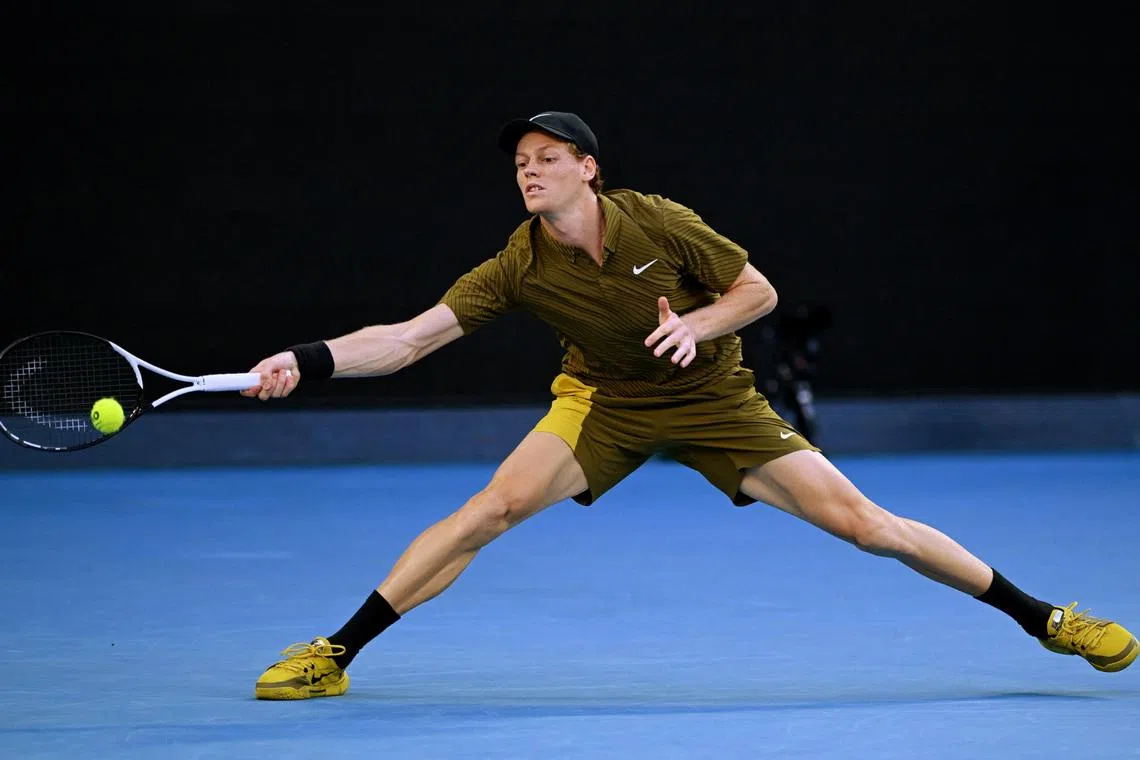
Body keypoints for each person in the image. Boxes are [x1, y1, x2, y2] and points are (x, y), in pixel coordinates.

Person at [243, 111, 1136, 700]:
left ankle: (1048, 620)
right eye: (520, 164)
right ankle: (337, 653)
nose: (530, 173)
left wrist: (697, 326)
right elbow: (408, 338)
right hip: (602, 403)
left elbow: (759, 291)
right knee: (491, 510)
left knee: (868, 525)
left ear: (589, 169)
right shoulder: (516, 262)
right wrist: (304, 360)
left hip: (715, 400)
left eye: (548, 159)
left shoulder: (659, 221)